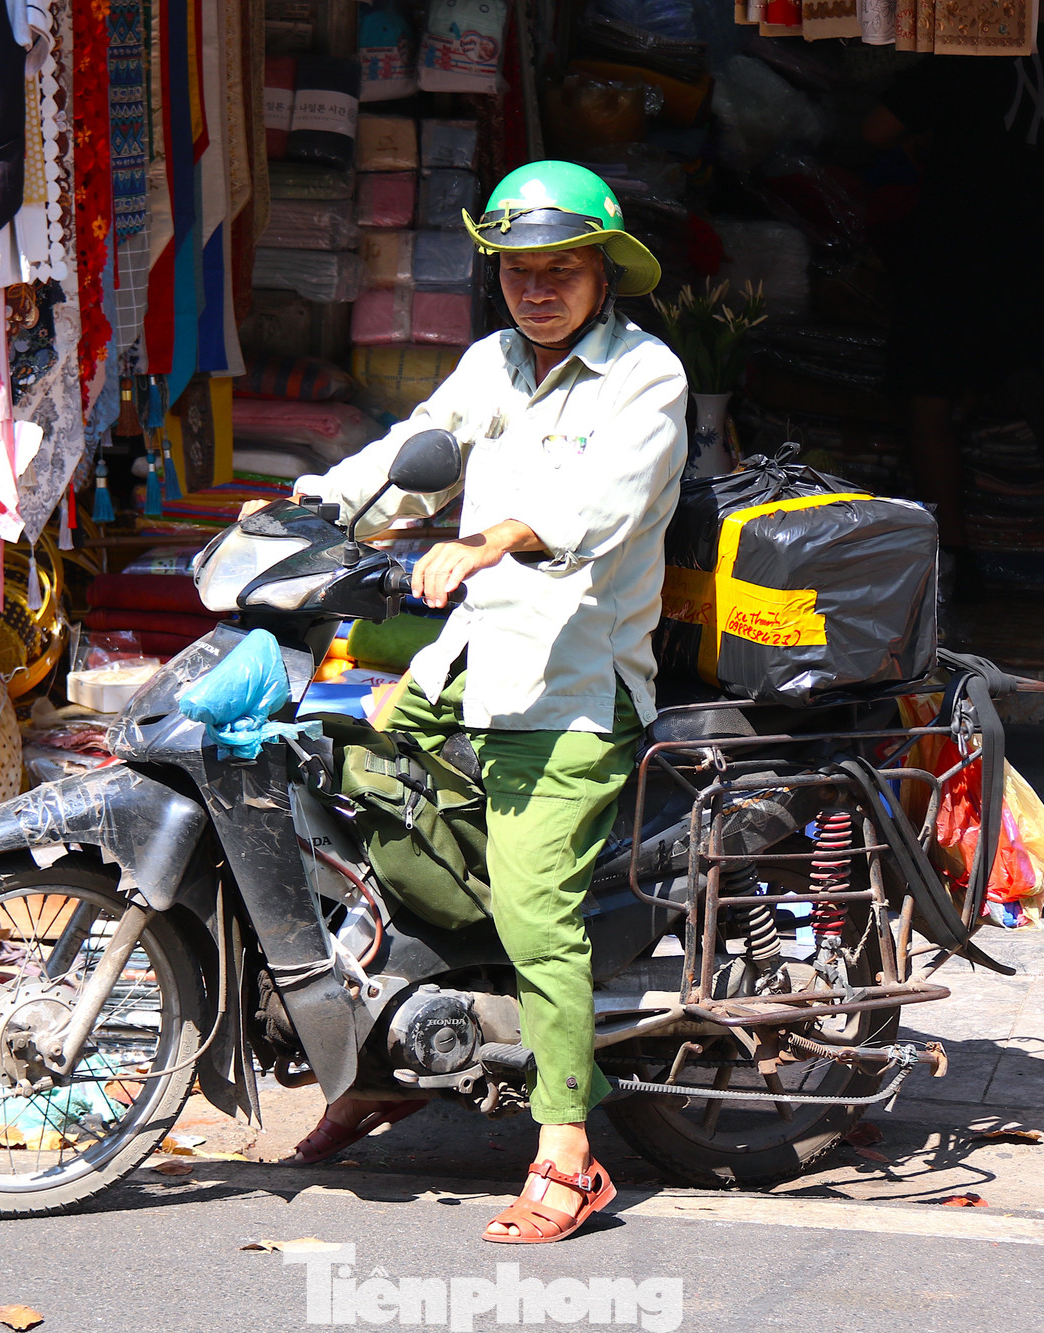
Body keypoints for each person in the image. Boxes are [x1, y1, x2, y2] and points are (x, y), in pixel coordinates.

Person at [239, 161, 687, 1243]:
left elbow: (599, 505)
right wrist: (315, 497)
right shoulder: (490, 364)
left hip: (574, 689)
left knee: (535, 908)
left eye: (560, 270)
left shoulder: (645, 378)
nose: (537, 289)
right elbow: (416, 448)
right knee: (349, 789)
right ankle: (397, 1064)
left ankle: (569, 1152)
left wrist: (487, 540)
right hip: (465, 666)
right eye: (518, 272)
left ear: (600, 275)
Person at [863, 0, 1044, 593]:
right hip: (1029, 264)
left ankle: (949, 555)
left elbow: (875, 129)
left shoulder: (973, 51)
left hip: (949, 252)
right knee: (981, 394)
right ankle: (995, 516)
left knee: (928, 402)